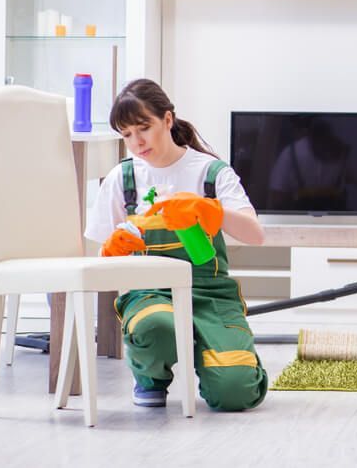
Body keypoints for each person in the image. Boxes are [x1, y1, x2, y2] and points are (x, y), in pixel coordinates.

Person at [84, 79, 268, 411]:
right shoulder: (122, 179)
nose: (137, 142)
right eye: (127, 135)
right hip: (150, 293)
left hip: (210, 295)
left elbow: (255, 234)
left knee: (235, 392)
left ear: (167, 120)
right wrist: (111, 250)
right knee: (158, 325)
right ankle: (150, 377)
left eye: (144, 128)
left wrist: (209, 209)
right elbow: (94, 262)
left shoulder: (210, 173)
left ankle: (220, 352)